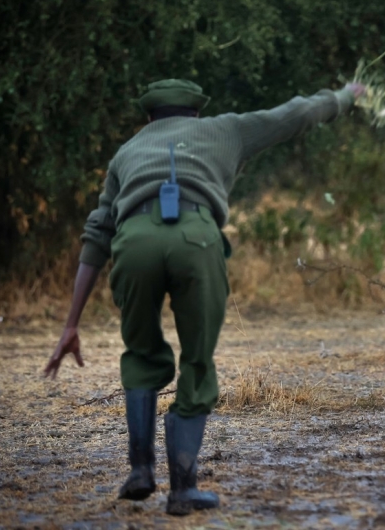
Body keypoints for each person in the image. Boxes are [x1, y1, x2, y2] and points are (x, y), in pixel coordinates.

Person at [43, 78, 366, 516]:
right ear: (196, 112)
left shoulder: (127, 151)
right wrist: (344, 98)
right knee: (197, 361)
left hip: (133, 242)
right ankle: (183, 490)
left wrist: (70, 324)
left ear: (149, 117)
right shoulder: (226, 128)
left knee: (140, 353)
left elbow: (97, 233)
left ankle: (140, 470)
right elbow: (293, 116)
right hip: (196, 239)